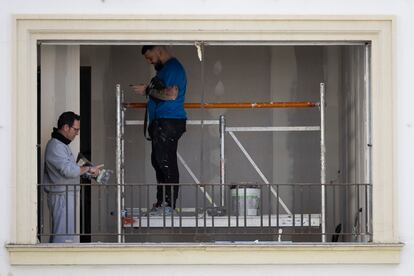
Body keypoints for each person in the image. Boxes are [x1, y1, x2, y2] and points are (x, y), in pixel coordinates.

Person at [131, 45, 187, 215]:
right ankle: (163, 202)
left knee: (165, 162)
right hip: (162, 122)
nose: (150, 62)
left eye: (150, 57)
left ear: (159, 51)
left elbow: (172, 94)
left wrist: (147, 90)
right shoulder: (165, 70)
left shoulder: (173, 68)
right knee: (158, 161)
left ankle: (168, 205)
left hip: (169, 121)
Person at [43, 111, 103, 243]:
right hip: (61, 196)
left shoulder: (61, 145)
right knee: (63, 236)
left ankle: (58, 260)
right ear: (65, 127)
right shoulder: (55, 146)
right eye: (75, 129)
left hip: (64, 194)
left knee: (65, 234)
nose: (77, 133)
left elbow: (71, 169)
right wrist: (88, 168)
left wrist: (90, 172)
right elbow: (68, 171)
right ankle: (59, 262)